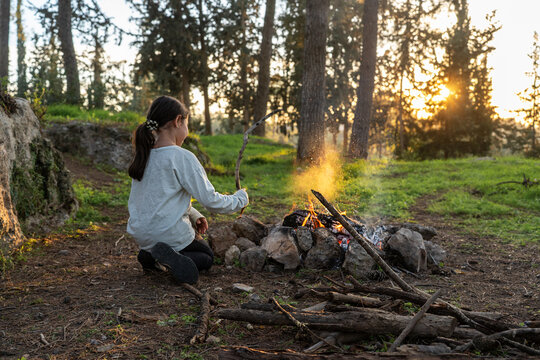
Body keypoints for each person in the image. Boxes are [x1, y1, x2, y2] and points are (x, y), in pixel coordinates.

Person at [127, 95, 248, 284]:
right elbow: (212, 201)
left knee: (171, 243)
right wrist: (240, 199)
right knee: (206, 256)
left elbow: (158, 198)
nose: (187, 131)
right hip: (168, 233)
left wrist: (193, 214)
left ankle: (149, 256)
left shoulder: (144, 156)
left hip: (143, 236)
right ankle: (170, 260)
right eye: (187, 124)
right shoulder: (182, 156)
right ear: (178, 121)